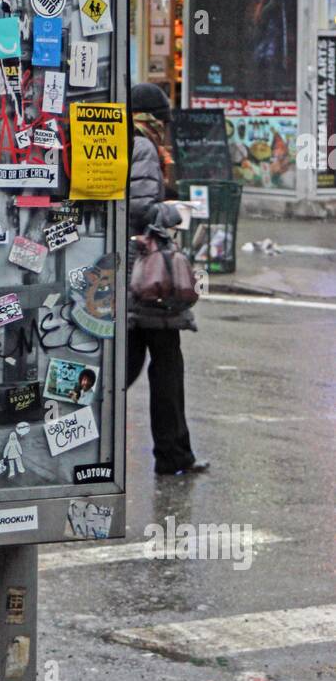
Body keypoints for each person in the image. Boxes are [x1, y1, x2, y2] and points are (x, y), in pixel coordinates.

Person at [127, 83, 208, 478]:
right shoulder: (142, 146)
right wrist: (175, 211)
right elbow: (141, 209)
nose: (165, 127)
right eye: (162, 119)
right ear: (151, 118)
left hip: (131, 276)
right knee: (162, 366)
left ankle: (174, 454)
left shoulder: (125, 141)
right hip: (146, 278)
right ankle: (174, 455)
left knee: (134, 364)